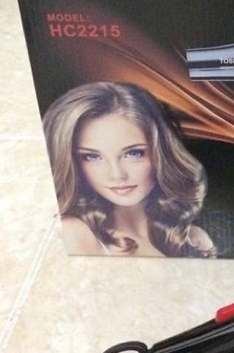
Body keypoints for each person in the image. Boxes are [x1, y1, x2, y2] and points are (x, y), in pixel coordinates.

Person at [42, 81, 215, 257]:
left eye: (133, 153)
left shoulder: (191, 238)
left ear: (162, 152)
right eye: (92, 157)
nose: (117, 175)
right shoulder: (73, 233)